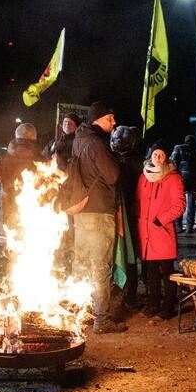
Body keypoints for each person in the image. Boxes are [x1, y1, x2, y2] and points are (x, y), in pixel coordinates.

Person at [69, 101, 126, 334]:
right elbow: (112, 176)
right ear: (98, 119)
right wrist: (117, 161)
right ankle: (101, 319)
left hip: (82, 211)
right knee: (100, 266)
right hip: (99, 210)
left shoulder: (78, 140)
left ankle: (77, 315)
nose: (114, 123)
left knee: (80, 264)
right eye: (110, 119)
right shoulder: (96, 143)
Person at [135, 140, 185, 319]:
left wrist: (160, 220)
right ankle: (153, 304)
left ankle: (169, 306)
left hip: (161, 232)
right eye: (155, 154)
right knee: (150, 273)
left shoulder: (173, 178)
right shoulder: (143, 176)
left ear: (166, 158)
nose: (157, 157)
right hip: (145, 233)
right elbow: (138, 202)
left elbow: (179, 205)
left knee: (167, 272)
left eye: (161, 155)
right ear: (151, 155)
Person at [0, 123, 46, 230]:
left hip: (10, 211)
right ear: (34, 137)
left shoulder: (4, 158)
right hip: (37, 210)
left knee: (15, 243)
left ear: (16, 136)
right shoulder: (42, 160)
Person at [110, 125, 144, 311]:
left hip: (132, 214)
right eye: (115, 140)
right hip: (117, 213)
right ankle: (121, 293)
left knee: (130, 255)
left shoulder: (137, 163)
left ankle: (131, 295)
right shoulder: (115, 160)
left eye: (120, 141)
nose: (117, 143)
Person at [170, 135, 196, 233]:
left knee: (179, 202)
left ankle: (178, 225)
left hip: (181, 179)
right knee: (191, 203)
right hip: (193, 181)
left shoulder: (178, 148)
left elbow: (173, 163)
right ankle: (189, 226)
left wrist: (174, 178)